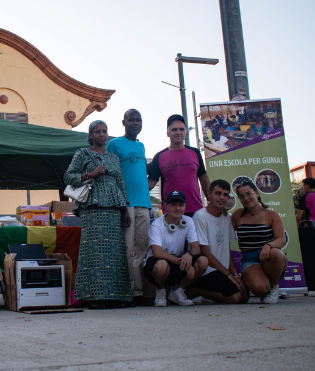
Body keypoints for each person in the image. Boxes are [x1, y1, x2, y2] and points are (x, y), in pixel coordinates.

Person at [64, 120, 132, 309]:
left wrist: (125, 208)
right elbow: (68, 177)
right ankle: (94, 297)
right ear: (91, 135)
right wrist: (90, 174)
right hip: (92, 207)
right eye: (97, 131)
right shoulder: (82, 153)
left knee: (115, 252)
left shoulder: (113, 158)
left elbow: (121, 182)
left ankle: (117, 296)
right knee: (94, 252)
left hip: (114, 207)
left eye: (104, 131)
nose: (102, 134)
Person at [106, 109, 152, 304]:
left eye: (138, 120)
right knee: (127, 248)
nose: (135, 123)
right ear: (123, 122)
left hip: (144, 204)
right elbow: (110, 176)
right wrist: (121, 204)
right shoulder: (114, 144)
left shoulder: (141, 146)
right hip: (126, 204)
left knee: (143, 248)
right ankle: (128, 292)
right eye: (131, 120)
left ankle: (139, 292)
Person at [186, 180, 249, 304]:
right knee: (236, 298)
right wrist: (228, 275)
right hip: (207, 270)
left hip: (221, 271)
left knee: (245, 296)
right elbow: (204, 252)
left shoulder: (227, 218)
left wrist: (235, 275)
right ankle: (195, 290)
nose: (222, 198)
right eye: (218, 193)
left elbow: (227, 250)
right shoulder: (200, 217)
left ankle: (209, 295)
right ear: (209, 194)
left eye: (225, 194)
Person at [143, 190, 208, 307]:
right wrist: (181, 262)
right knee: (161, 264)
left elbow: (196, 248)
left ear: (185, 207)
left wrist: (189, 254)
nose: (177, 208)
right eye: (173, 204)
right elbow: (157, 252)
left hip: (178, 262)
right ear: (166, 206)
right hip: (156, 265)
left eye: (181, 205)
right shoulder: (157, 224)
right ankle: (160, 290)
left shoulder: (188, 221)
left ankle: (177, 290)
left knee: (203, 261)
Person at [231, 181, 288, 304]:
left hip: (269, 257)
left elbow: (281, 239)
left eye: (248, 194)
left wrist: (268, 246)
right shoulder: (237, 215)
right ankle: (264, 287)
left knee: (277, 254)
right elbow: (224, 236)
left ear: (256, 193)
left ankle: (273, 287)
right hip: (249, 259)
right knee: (259, 288)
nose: (246, 198)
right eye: (241, 196)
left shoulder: (272, 215)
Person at [148, 114, 210, 217]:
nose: (178, 132)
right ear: (168, 133)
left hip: (196, 211)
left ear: (186, 132)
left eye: (181, 129)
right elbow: (151, 183)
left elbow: (204, 179)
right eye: (174, 130)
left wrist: (211, 201)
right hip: (171, 213)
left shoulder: (195, 152)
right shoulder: (159, 156)